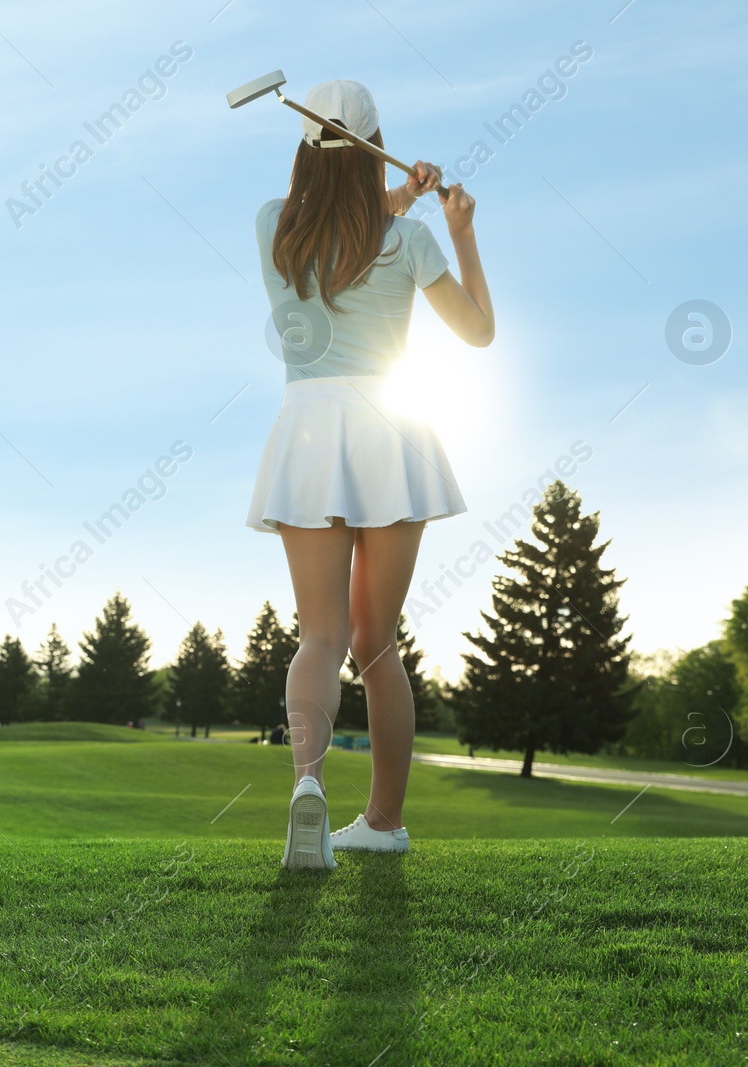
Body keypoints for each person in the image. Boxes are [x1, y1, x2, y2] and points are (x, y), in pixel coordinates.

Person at [245, 80, 493, 869]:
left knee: (318, 635)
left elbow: (344, 221)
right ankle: (383, 822)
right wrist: (456, 229)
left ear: (304, 151)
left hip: (309, 430)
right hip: (392, 428)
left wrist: (400, 196)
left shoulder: (273, 229)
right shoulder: (410, 241)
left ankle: (307, 784)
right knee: (376, 644)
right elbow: (479, 333)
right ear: (373, 146)